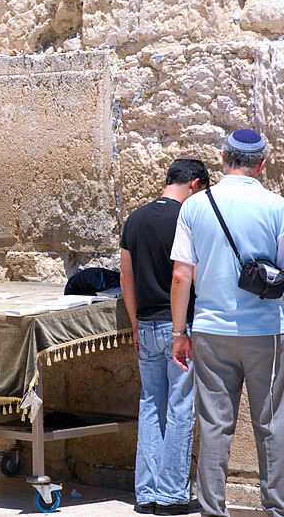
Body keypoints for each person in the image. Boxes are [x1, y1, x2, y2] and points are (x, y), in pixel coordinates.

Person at [170, 129, 284, 517]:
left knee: (214, 425)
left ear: (224, 159)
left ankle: (213, 510)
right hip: (266, 332)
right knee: (273, 425)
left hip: (211, 332)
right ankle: (281, 510)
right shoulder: (275, 205)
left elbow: (181, 275)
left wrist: (181, 333)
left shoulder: (195, 206)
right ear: (261, 164)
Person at [120, 158, 208, 515]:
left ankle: (146, 493)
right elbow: (183, 277)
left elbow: (126, 277)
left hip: (145, 324)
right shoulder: (188, 218)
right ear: (196, 185)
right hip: (178, 330)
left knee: (150, 405)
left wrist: (135, 324)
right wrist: (179, 330)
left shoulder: (135, 219)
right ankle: (171, 496)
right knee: (180, 408)